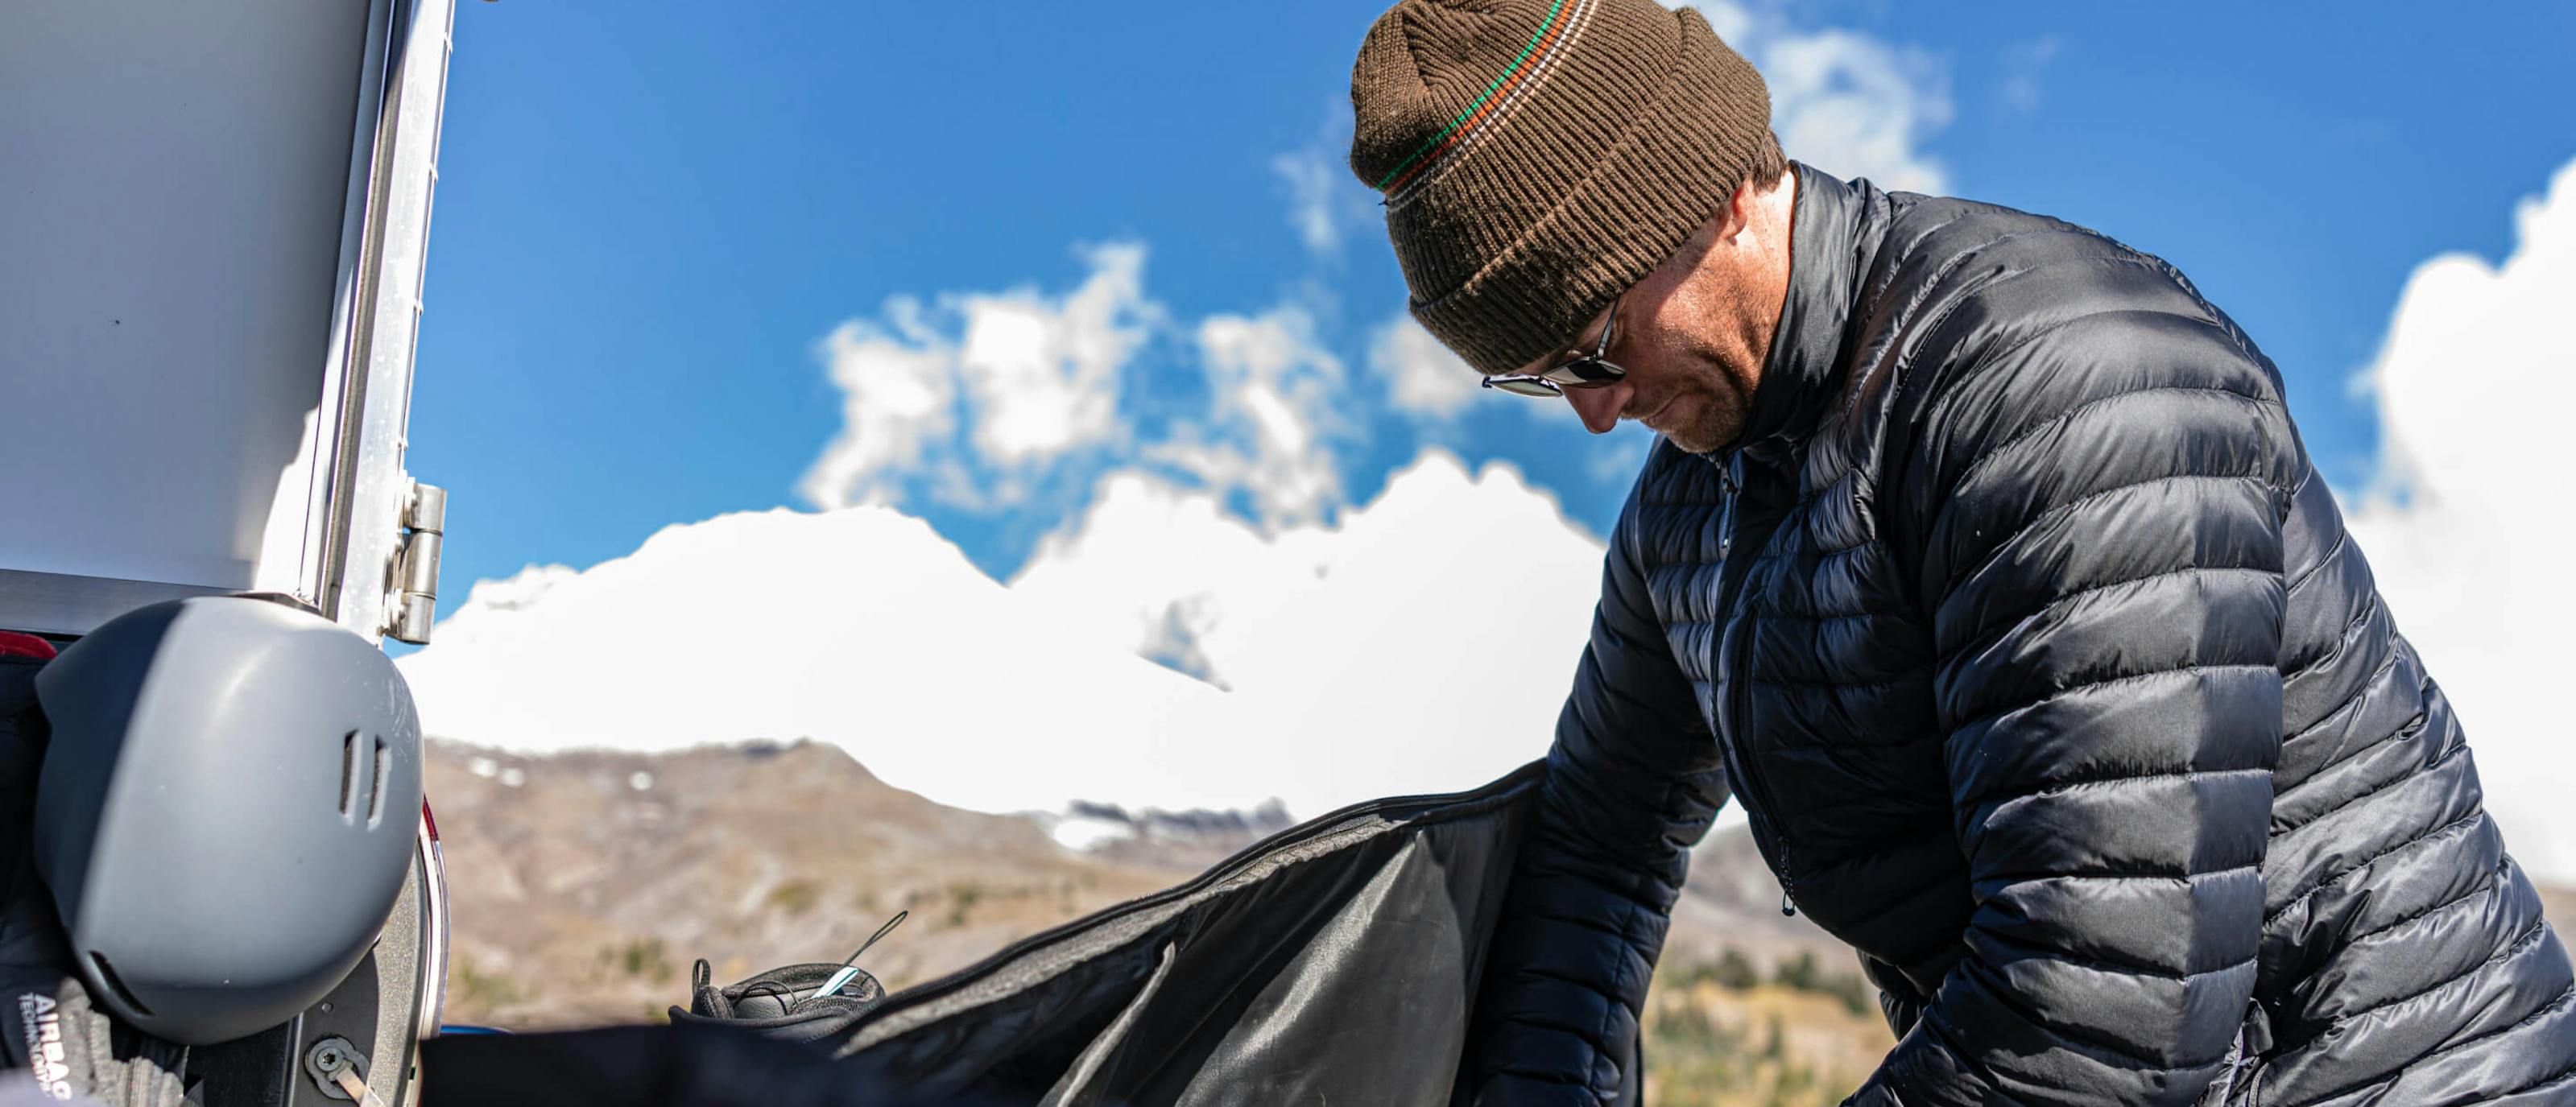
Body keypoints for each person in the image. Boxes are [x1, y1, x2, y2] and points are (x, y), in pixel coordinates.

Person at [1346, 2, 2576, 1103]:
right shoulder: (1687, 520)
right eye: (1538, 374)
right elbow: (1592, 854)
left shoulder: (2067, 393)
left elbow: (2106, 1013)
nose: (1596, 410)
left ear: (1712, 187)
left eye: (1599, 336)